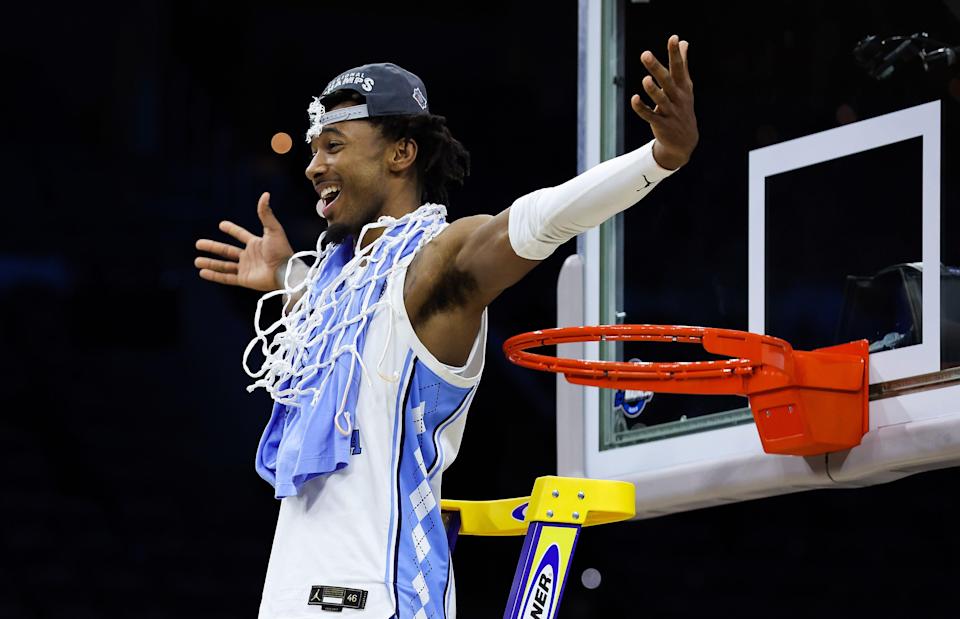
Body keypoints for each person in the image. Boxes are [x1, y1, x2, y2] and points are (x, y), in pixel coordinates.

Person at [194, 35, 697, 619]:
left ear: (401, 154)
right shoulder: (334, 299)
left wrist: (659, 159)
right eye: (313, 149)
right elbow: (346, 314)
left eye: (333, 145)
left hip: (377, 600)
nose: (313, 166)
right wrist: (286, 274)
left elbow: (541, 218)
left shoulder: (433, 269)